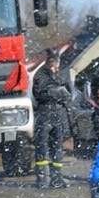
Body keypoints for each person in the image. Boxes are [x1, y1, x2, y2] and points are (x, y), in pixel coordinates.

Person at [32, 49, 71, 189]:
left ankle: (56, 178)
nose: (55, 66)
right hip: (45, 113)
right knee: (42, 146)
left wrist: (58, 92)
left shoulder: (62, 74)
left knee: (57, 147)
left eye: (56, 63)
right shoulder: (40, 75)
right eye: (52, 63)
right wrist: (56, 92)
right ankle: (42, 179)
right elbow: (39, 93)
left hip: (59, 113)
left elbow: (69, 94)